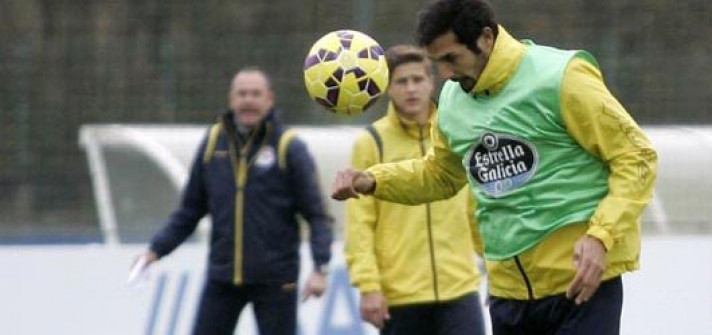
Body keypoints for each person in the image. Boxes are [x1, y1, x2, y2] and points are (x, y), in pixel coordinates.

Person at [332, 0, 658, 334]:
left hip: (579, 285)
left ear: (486, 38)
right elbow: (440, 175)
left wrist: (601, 237)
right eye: (437, 62)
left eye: (451, 59)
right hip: (508, 294)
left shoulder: (560, 77)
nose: (444, 74)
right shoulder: (452, 102)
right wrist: (372, 179)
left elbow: (636, 157)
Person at [137, 67, 334, 335]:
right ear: (231, 99)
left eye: (255, 94)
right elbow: (189, 212)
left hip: (276, 279)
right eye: (242, 94)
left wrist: (320, 267)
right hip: (223, 276)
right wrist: (155, 250)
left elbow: (317, 214)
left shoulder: (288, 147)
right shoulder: (212, 143)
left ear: (269, 99)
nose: (248, 100)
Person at [344, 45, 485, 335]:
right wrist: (369, 286)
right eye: (401, 81)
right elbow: (360, 223)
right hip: (401, 296)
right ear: (387, 88)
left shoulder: (454, 129)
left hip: (460, 289)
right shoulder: (372, 142)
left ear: (431, 82)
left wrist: (496, 265)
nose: (411, 89)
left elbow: (476, 208)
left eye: (418, 80)